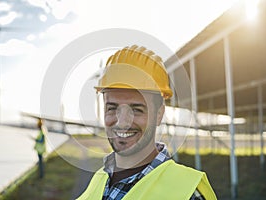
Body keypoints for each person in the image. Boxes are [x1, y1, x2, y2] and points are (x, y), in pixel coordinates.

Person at [77, 45, 216, 199]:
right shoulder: (100, 177)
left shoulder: (188, 194)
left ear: (159, 114)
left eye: (136, 109)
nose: (122, 122)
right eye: (112, 108)